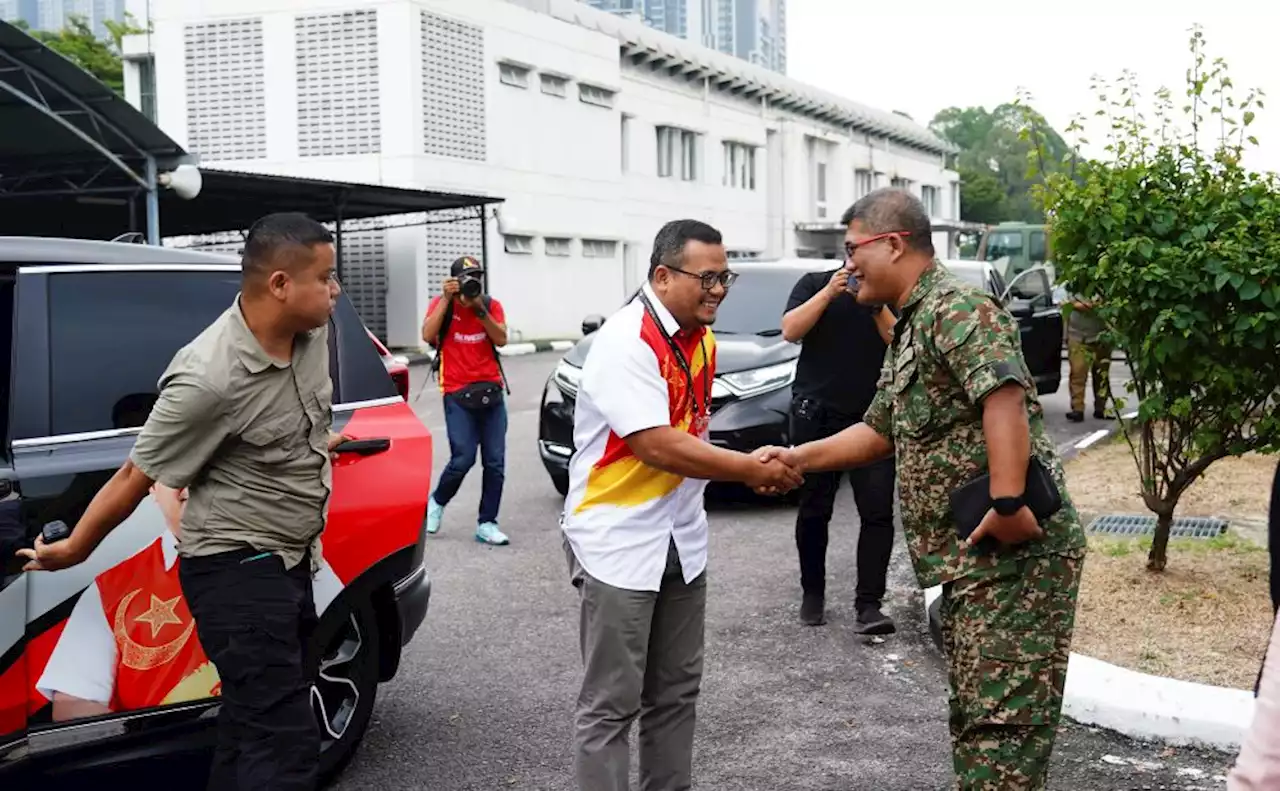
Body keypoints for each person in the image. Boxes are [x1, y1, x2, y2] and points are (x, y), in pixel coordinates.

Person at [757, 188, 1087, 791]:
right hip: (974, 562)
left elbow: (1004, 396)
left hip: (1014, 557)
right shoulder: (913, 323)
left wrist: (1009, 504)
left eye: (854, 248)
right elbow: (877, 430)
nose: (847, 263)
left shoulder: (958, 308)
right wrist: (795, 457)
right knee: (976, 721)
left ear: (892, 242)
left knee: (1001, 735)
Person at [19, 211, 352, 791]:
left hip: (290, 558)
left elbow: (284, 422)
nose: (336, 289)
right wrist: (72, 550)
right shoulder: (208, 378)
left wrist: (317, 442)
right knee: (286, 744)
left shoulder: (312, 332)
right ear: (279, 285)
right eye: (325, 277)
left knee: (253, 723)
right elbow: (133, 475)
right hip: (235, 570)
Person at [560, 219, 803, 791]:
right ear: (663, 275)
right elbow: (655, 443)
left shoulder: (701, 338)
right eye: (708, 277)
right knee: (612, 703)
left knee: (676, 693)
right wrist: (748, 470)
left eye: (726, 276)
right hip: (617, 542)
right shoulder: (626, 339)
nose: (719, 288)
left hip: (680, 539)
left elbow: (690, 434)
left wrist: (751, 463)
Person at [781, 258, 899, 630]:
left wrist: (876, 306)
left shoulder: (888, 293)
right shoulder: (814, 283)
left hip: (873, 421)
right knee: (815, 508)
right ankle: (812, 594)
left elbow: (901, 341)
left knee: (877, 511)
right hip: (818, 415)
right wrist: (829, 293)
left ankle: (868, 605)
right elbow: (790, 330)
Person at [420, 255, 511, 546]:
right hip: (457, 392)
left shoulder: (490, 304)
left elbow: (501, 339)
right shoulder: (441, 305)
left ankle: (487, 523)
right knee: (463, 458)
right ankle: (436, 502)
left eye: (477, 277)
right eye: (466, 278)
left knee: (495, 463)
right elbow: (427, 335)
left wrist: (480, 310)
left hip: (491, 392)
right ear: (454, 281)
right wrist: (447, 300)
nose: (473, 283)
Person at [1064, 290, 1111, 422]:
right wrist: (1065, 335)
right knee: (1077, 372)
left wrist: (1076, 304)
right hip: (1077, 335)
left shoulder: (1101, 285)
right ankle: (1077, 409)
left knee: (1101, 373)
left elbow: (1099, 304)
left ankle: (1101, 408)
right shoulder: (1071, 286)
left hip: (1101, 336)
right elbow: (1065, 307)